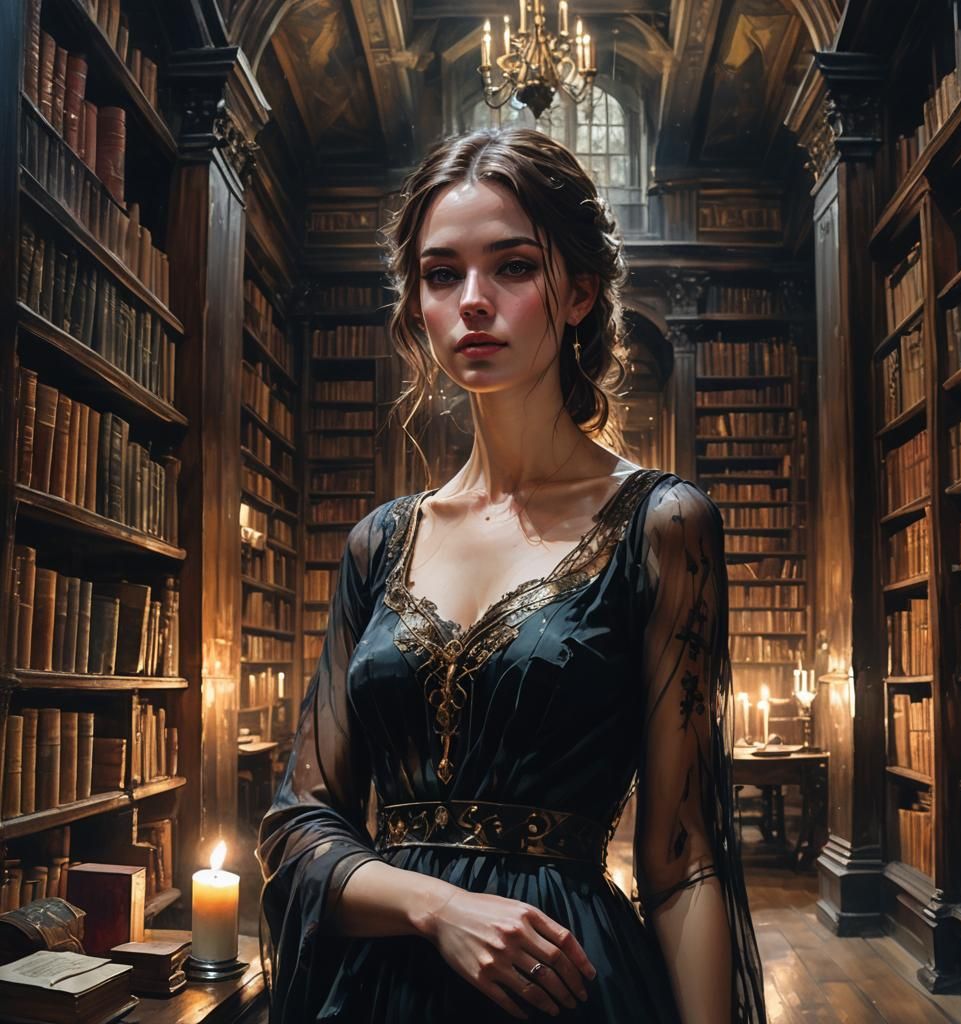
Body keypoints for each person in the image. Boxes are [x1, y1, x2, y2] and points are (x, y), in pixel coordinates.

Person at [257, 126, 766, 1023]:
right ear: (418, 304)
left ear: (576, 293)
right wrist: (438, 906)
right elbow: (300, 825)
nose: (474, 301)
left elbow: (683, 860)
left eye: (513, 268)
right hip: (380, 983)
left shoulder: (662, 524)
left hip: (564, 983)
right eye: (442, 273)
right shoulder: (379, 543)